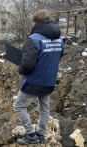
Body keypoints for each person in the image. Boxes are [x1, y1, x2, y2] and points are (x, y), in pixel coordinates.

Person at [13, 9, 63, 145]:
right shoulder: (59, 39)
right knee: (44, 107)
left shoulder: (33, 39)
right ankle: (40, 134)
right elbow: (56, 57)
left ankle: (31, 135)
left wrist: (21, 68)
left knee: (18, 106)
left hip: (34, 82)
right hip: (49, 81)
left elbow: (28, 64)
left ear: (35, 23)